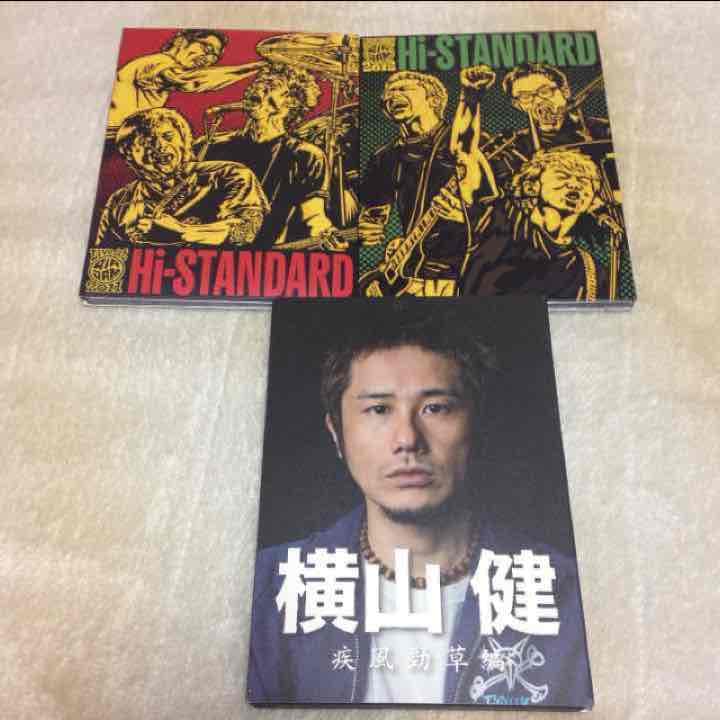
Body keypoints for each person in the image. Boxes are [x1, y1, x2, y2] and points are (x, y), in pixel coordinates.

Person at [248, 305, 592, 706]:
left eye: (436, 408)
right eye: (379, 409)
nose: (407, 439)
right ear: (337, 434)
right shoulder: (271, 588)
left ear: (477, 424)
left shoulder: (564, 593)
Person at [357, 70, 499, 297]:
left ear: (433, 100)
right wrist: (368, 230)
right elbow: (373, 215)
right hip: (409, 273)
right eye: (388, 94)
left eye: (403, 89)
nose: (392, 96)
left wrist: (466, 216)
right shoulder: (383, 157)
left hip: (459, 273)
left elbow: (504, 212)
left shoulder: (470, 143)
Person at [201, 64, 346, 251]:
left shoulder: (306, 156)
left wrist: (326, 233)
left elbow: (313, 216)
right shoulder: (215, 146)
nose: (258, 87)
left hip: (265, 255)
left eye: (272, 85)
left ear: (291, 102)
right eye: (259, 82)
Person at [95, 108, 269, 247]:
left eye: (168, 136)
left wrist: (182, 231)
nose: (160, 146)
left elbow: (246, 231)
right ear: (129, 155)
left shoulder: (230, 174)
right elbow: (104, 261)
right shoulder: (119, 202)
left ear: (185, 140)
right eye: (145, 142)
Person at [460, 148, 612, 300]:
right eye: (562, 176)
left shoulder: (589, 270)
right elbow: (473, 167)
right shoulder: (498, 220)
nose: (574, 184)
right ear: (531, 187)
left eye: (584, 182)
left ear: (593, 201)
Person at [106, 29, 265, 140]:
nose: (208, 59)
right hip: (111, 136)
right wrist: (254, 67)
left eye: (214, 57)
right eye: (206, 48)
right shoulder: (158, 62)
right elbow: (190, 82)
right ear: (180, 40)